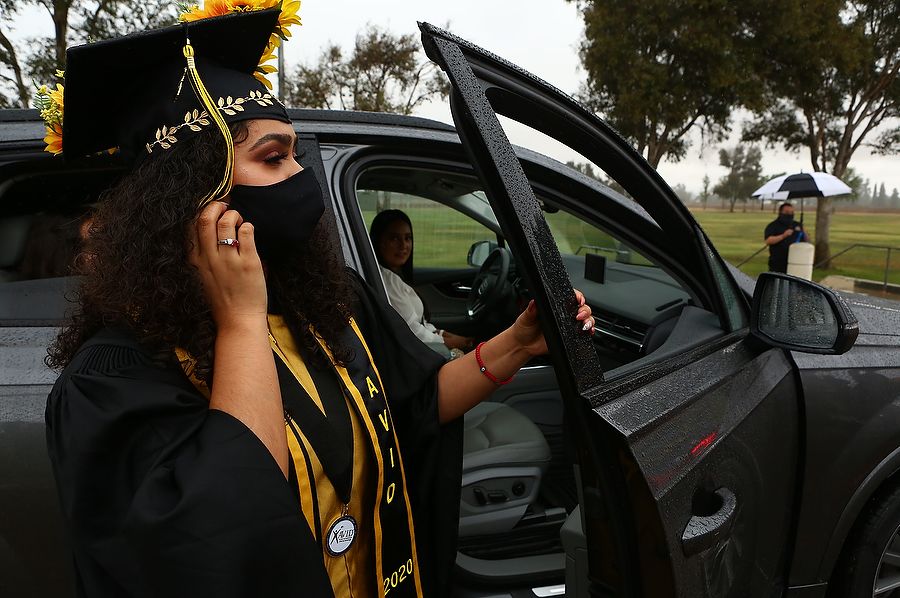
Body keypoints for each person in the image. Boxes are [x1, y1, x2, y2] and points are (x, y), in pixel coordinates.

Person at [41, 8, 595, 598]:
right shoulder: (114, 381)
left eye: (297, 155)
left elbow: (416, 404)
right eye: (274, 157)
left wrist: (516, 344)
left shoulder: (329, 304)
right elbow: (230, 531)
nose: (303, 177)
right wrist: (241, 321)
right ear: (194, 194)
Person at [369, 209, 473, 353]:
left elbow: (421, 324)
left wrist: (444, 334)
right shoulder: (387, 281)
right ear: (379, 242)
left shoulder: (393, 276)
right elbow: (413, 331)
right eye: (394, 238)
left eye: (408, 238)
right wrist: (449, 342)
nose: (403, 245)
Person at [764, 202, 805, 273]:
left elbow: (806, 241)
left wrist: (804, 231)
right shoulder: (773, 225)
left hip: (795, 261)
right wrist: (783, 236)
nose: (790, 214)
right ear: (780, 212)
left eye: (791, 212)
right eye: (787, 212)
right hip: (778, 263)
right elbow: (768, 240)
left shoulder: (797, 225)